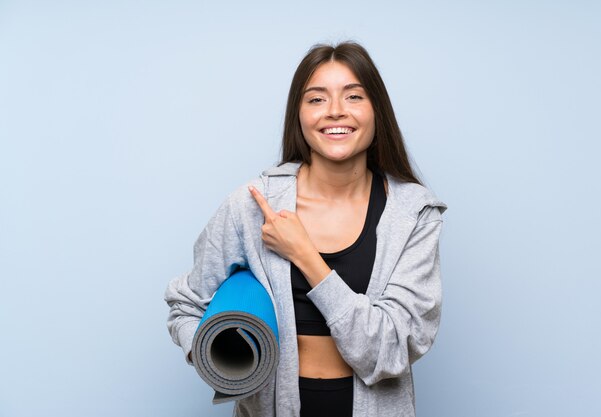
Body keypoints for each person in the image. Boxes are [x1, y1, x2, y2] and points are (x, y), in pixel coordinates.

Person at [165, 41, 447, 417]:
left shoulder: (412, 214)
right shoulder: (251, 205)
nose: (334, 112)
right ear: (298, 115)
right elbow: (185, 305)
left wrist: (304, 255)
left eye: (353, 96)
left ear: (377, 110)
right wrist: (219, 357)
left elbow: (388, 350)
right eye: (316, 99)